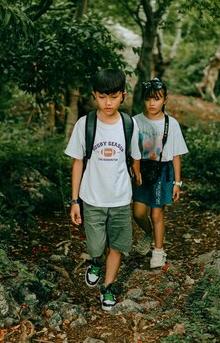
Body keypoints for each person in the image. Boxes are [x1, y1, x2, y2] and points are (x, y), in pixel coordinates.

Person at [64, 68, 141, 311]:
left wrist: (136, 174)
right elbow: (78, 163)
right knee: (96, 246)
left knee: (117, 246)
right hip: (92, 199)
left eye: (113, 96)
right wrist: (74, 200)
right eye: (102, 96)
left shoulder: (129, 125)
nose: (108, 102)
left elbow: (134, 156)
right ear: (94, 96)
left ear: (123, 96)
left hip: (120, 199)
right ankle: (95, 261)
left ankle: (107, 287)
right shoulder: (85, 124)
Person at [132, 78, 188, 268]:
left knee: (157, 214)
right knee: (138, 213)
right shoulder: (136, 121)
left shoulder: (171, 124)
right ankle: (149, 233)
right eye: (148, 99)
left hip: (162, 171)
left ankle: (158, 251)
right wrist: (135, 172)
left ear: (165, 100)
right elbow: (132, 151)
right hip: (141, 169)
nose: (152, 103)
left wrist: (177, 182)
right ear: (143, 100)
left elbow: (176, 155)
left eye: (157, 99)